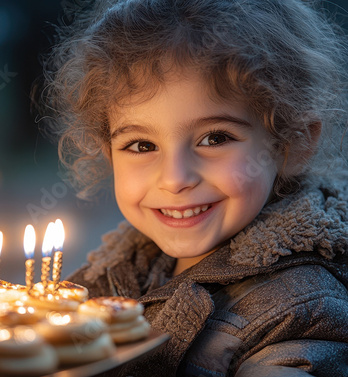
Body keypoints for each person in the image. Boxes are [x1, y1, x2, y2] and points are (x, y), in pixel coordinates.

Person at [34, 0, 348, 375]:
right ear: (108, 153)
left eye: (215, 138)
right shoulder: (108, 277)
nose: (175, 178)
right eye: (141, 146)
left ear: (292, 144)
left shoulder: (301, 306)